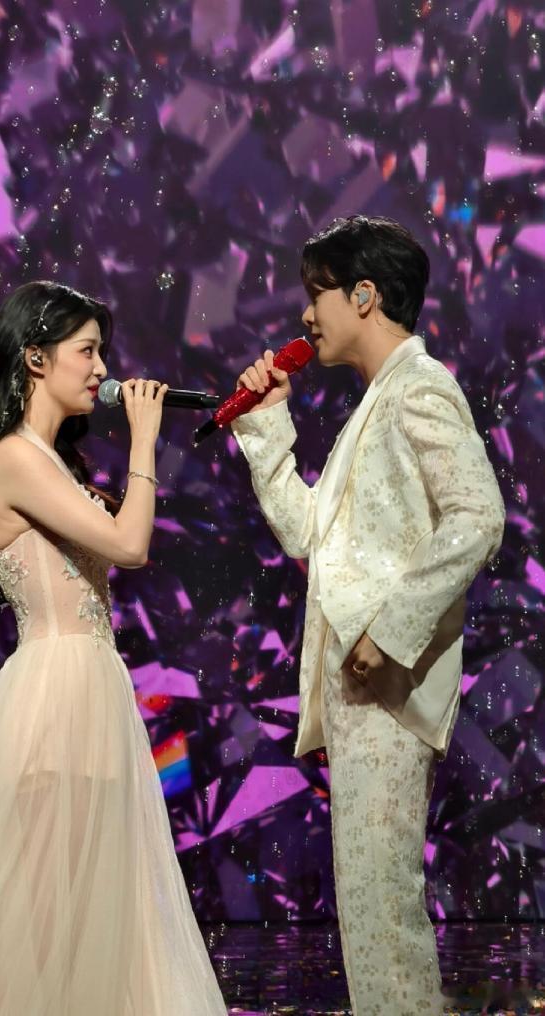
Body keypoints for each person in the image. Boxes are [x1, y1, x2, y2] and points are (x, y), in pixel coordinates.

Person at [0, 281, 226, 1016]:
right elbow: (130, 545)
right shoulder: (14, 459)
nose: (103, 369)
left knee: (93, 914)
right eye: (86, 351)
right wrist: (146, 441)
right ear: (35, 358)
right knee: (39, 919)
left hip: (91, 686)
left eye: (102, 353)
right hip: (54, 692)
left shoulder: (53, 463)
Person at [231, 216, 505, 1015]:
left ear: (363, 295)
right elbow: (309, 537)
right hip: (359, 685)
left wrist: (388, 634)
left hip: (387, 681)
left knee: (381, 900)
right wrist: (265, 427)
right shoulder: (377, 401)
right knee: (367, 900)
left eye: (315, 294)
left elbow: (478, 516)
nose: (305, 314)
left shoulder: (419, 386)